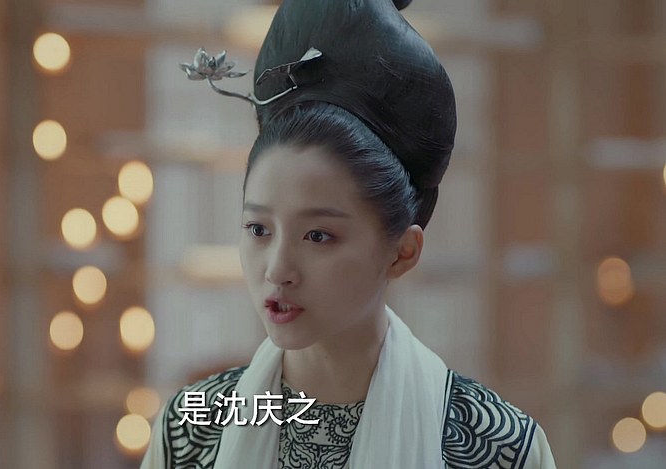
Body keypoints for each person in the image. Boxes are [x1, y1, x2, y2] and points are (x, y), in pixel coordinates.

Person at [142, 0, 556, 467]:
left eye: (318, 236)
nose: (278, 269)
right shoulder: (190, 432)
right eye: (258, 229)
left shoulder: (499, 448)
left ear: (402, 251)